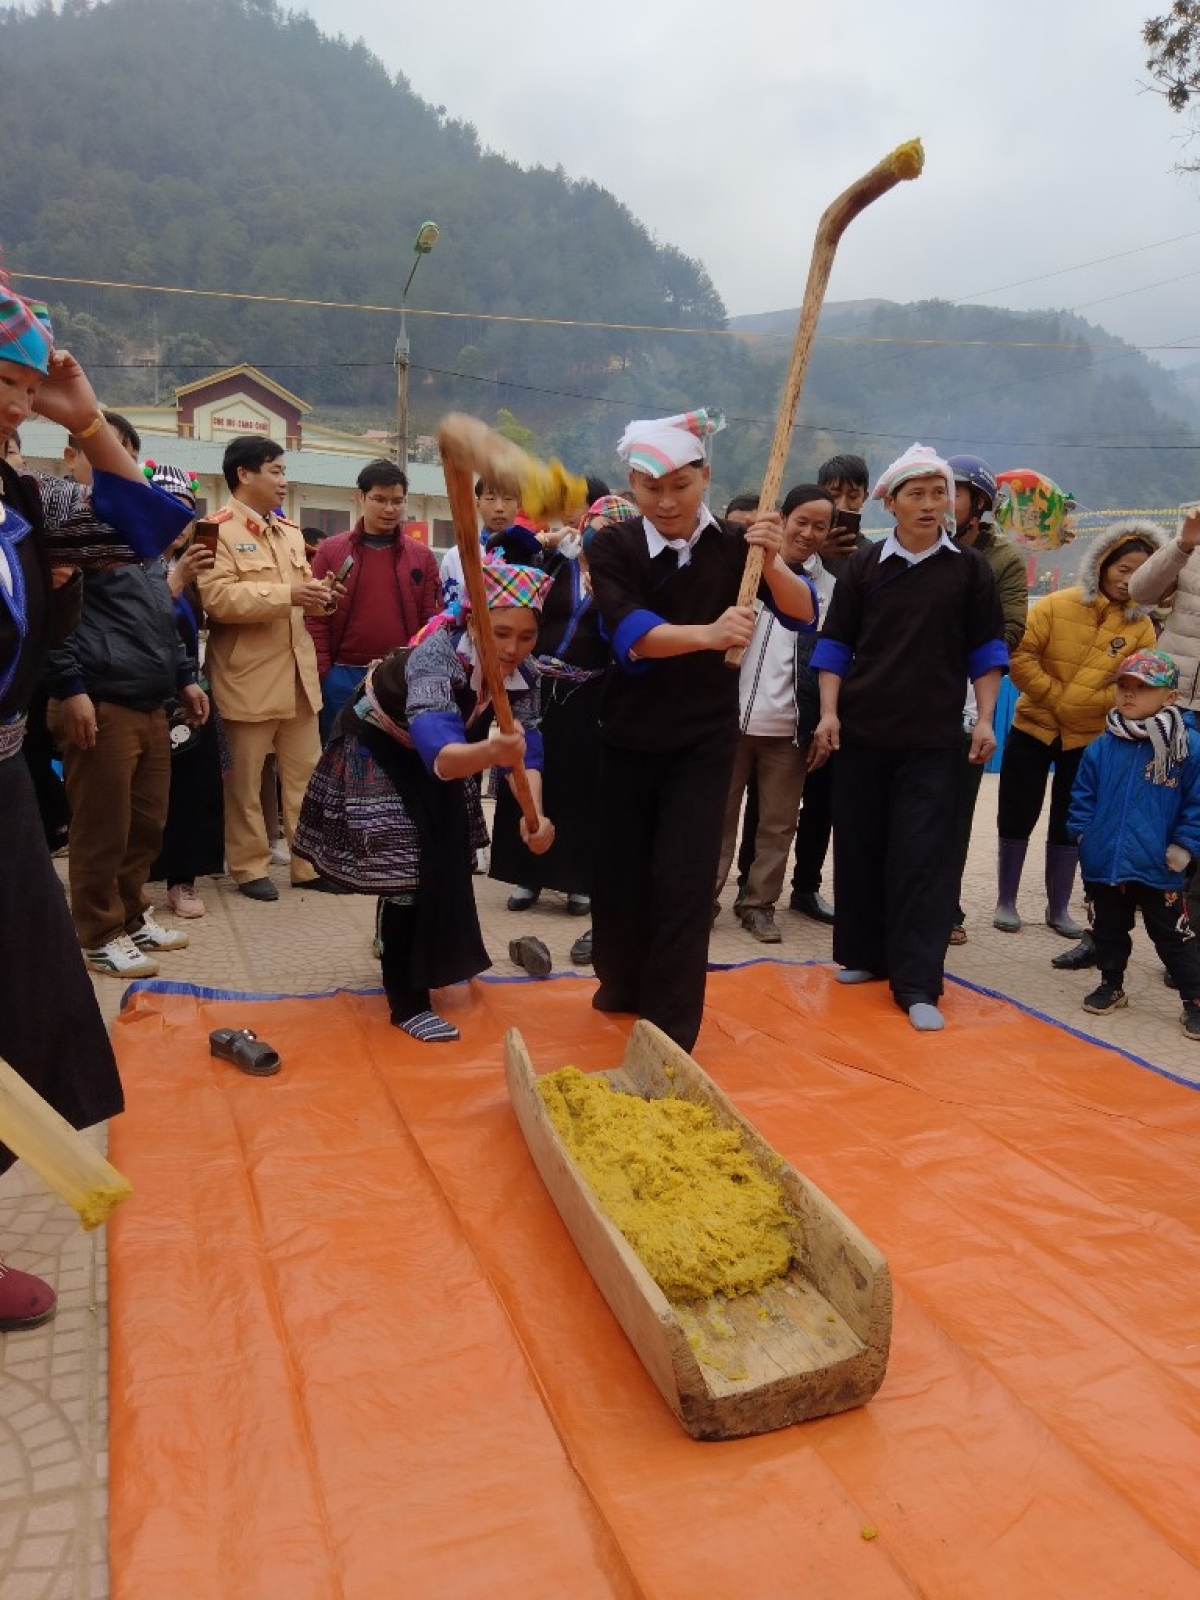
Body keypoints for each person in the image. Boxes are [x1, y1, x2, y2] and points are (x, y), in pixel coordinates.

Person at [0, 284, 193, 1327]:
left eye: (29, 388)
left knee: (22, 1007)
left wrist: (87, 418)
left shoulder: (20, 499)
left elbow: (150, 523)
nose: (19, 406)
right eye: (7, 383)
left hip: (4, 781)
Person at [586, 408, 816, 1052]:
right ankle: (622, 982)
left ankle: (670, 1025)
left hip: (703, 741)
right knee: (622, 877)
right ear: (631, 485)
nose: (665, 502)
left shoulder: (734, 547)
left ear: (704, 477)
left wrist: (770, 561)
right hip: (628, 735)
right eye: (649, 487)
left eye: (680, 487)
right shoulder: (613, 545)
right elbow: (628, 632)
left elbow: (803, 613)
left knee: (686, 879)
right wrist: (710, 635)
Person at [293, 558, 555, 1041]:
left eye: (526, 636)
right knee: (409, 868)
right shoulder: (435, 657)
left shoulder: (528, 675)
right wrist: (488, 751)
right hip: (381, 743)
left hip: (453, 753)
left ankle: (402, 940)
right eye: (499, 633)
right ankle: (406, 1000)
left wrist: (532, 816)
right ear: (473, 620)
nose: (513, 649)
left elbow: (527, 753)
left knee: (445, 856)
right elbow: (441, 754)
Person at [810, 443, 1007, 1033]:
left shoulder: (967, 569)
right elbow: (834, 645)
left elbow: (987, 651)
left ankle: (918, 982)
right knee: (863, 844)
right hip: (864, 732)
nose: (929, 504)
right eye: (915, 494)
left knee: (923, 856)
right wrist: (828, 714)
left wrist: (986, 717)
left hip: (932, 740)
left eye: (938, 493)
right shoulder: (866, 567)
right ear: (889, 502)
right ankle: (864, 956)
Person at [45, 457, 209, 977]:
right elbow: (54, 619)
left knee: (145, 825)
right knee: (101, 828)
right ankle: (97, 933)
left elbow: (160, 621)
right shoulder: (78, 535)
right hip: (101, 701)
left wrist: (185, 677)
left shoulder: (143, 549)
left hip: (151, 703)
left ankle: (132, 915)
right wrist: (70, 687)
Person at [993, 520, 1163, 937]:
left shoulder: (1141, 628)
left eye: (1140, 571)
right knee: (1016, 812)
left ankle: (1058, 908)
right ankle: (1006, 900)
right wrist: (1057, 698)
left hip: (1089, 736)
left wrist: (1083, 706)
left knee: (1072, 820)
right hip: (1034, 725)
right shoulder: (1057, 604)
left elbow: (1136, 684)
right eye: (1122, 568)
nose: (1128, 579)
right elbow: (1020, 655)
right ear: (1104, 564)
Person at [195, 436, 347, 901]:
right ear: (244, 474)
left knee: (306, 776)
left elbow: (301, 599)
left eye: (284, 472)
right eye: (275, 471)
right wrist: (290, 596)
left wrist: (320, 598)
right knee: (244, 781)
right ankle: (247, 866)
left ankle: (306, 864)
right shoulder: (213, 530)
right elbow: (216, 601)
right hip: (247, 678)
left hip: (297, 679)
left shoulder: (289, 532)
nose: (283, 481)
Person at [487, 495, 631, 943]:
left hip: (588, 694)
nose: (598, 536)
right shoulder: (552, 565)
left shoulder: (621, 584)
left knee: (580, 786)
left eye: (611, 532)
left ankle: (576, 883)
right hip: (534, 687)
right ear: (582, 524)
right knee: (527, 773)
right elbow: (504, 544)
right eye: (594, 525)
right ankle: (527, 876)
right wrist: (548, 542)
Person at [716, 484, 834, 942]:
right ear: (783, 518)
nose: (808, 532)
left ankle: (759, 904)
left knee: (779, 823)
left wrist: (825, 717)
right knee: (716, 817)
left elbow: (830, 659)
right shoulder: (742, 571)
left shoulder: (829, 588)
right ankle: (702, 898)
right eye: (801, 520)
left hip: (788, 725)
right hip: (728, 721)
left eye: (820, 526)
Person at [1065, 649, 1200, 1039]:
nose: (1129, 694)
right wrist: (1083, 835)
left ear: (1170, 697)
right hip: (1105, 861)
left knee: (1174, 936)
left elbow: (1196, 803)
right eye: (1123, 686)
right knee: (1108, 928)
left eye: (1142, 688)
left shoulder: (1185, 747)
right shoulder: (1102, 746)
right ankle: (1112, 983)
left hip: (1161, 865)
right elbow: (1082, 796)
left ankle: (1194, 998)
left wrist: (1184, 846)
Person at [945, 454, 1029, 944]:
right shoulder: (919, 548)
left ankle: (946, 907)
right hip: (910, 699)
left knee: (955, 812)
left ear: (978, 504)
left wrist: (949, 635)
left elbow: (1013, 629)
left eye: (951, 492)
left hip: (968, 701)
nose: (938, 501)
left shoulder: (1004, 560)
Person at [787, 451, 873, 925]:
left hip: (837, 692)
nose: (842, 503)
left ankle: (806, 886)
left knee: (824, 797)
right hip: (787, 687)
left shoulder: (870, 556)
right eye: (834, 492)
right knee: (770, 795)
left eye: (852, 494)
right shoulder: (800, 545)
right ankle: (749, 883)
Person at [307, 459, 443, 741]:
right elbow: (314, 618)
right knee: (338, 753)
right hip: (341, 673)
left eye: (397, 500)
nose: (389, 509)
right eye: (379, 499)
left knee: (392, 761)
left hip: (398, 674)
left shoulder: (422, 557)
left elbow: (432, 619)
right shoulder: (331, 551)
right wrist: (324, 673)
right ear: (360, 497)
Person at [150, 478, 225, 918]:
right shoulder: (129, 561)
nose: (179, 520)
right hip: (141, 693)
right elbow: (143, 621)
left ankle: (184, 880)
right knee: (146, 796)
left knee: (195, 789)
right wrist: (176, 579)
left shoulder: (188, 567)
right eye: (167, 507)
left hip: (189, 688)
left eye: (187, 511)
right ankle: (135, 885)